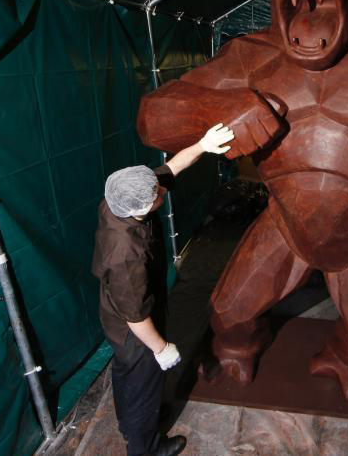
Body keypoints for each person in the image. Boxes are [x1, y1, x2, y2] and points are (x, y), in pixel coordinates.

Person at [92, 123, 234, 456]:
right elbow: (136, 317)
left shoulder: (120, 196)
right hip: (135, 331)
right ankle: (145, 447)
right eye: (157, 195)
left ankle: (132, 425)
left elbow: (170, 169)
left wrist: (203, 144)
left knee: (128, 378)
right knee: (143, 384)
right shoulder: (125, 253)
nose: (162, 191)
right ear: (141, 209)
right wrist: (161, 348)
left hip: (119, 311)